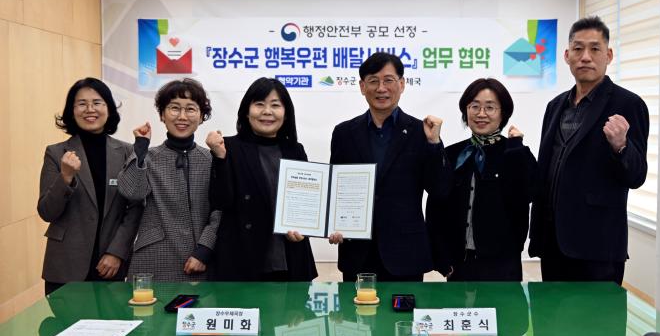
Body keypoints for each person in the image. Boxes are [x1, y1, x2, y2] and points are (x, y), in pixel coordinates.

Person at [528, 16, 650, 285]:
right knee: (550, 312)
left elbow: (637, 175)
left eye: (595, 49)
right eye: (578, 48)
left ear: (608, 55)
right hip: (552, 242)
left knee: (598, 314)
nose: (585, 57)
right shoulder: (555, 105)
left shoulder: (628, 104)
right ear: (566, 55)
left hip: (598, 246)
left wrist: (621, 146)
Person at [328, 51, 450, 282]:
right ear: (362, 86)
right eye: (373, 81)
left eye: (388, 80)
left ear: (402, 84)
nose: (381, 88)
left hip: (405, 253)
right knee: (357, 307)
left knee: (403, 308)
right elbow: (335, 188)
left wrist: (434, 143)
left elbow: (440, 189)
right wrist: (332, 224)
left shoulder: (421, 131)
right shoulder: (344, 133)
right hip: (357, 252)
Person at [38, 78, 141, 295]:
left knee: (112, 319)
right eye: (82, 104)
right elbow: (47, 212)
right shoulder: (56, 153)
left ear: (108, 109)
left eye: (97, 103)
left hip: (110, 265)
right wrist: (65, 177)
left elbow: (135, 209)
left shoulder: (126, 152)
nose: (90, 109)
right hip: (65, 266)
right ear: (72, 110)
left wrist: (117, 252)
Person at [206, 77, 317, 281]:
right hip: (243, 259)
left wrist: (305, 228)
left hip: (291, 256)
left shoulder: (295, 150)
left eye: (275, 105)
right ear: (246, 112)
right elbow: (221, 201)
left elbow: (305, 203)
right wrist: (220, 158)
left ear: (286, 113)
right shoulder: (228, 147)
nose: (267, 111)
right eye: (259, 104)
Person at [426, 78, 536, 281]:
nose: (481, 114)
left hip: (502, 267)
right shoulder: (453, 154)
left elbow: (525, 196)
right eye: (474, 106)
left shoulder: (516, 152)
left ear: (503, 113)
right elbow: (436, 207)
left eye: (490, 107)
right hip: (459, 265)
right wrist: (442, 260)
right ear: (465, 110)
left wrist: (516, 149)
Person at [118, 78, 221, 282]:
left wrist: (205, 249)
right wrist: (140, 148)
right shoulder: (148, 157)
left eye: (190, 109)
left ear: (201, 116)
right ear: (162, 115)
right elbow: (131, 192)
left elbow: (220, 210)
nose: (182, 116)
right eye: (174, 108)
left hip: (200, 259)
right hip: (153, 258)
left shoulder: (211, 159)